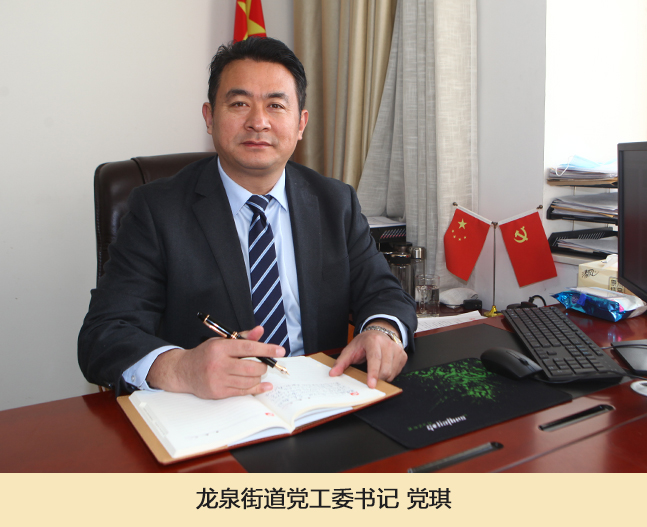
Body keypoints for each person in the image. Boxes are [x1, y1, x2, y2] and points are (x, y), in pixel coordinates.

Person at [78, 37, 416, 399]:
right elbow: (105, 332)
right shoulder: (157, 210)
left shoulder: (335, 202)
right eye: (239, 104)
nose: (258, 122)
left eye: (276, 105)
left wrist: (383, 331)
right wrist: (181, 367)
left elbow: (383, 292)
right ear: (210, 117)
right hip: (210, 412)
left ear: (301, 124)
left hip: (321, 403)